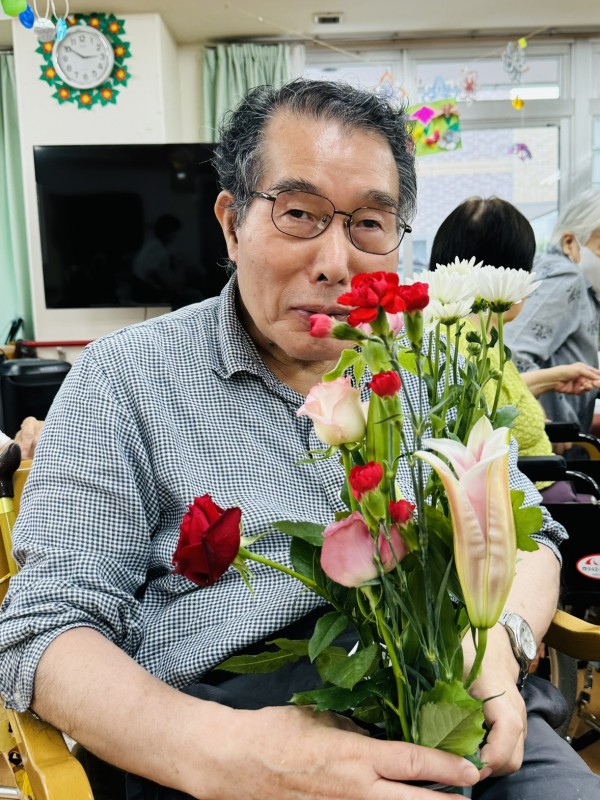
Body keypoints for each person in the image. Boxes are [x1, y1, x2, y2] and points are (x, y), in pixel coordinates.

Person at [0, 80, 595, 800]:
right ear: (231, 223)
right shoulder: (126, 376)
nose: (336, 262)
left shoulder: (425, 368)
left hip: (457, 694)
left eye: (368, 223)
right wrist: (221, 752)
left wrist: (500, 641)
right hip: (222, 728)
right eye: (299, 213)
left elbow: (529, 530)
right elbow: (46, 628)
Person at [429, 195, 600, 502]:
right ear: (512, 274)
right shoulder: (466, 343)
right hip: (534, 494)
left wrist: (549, 379)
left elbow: (492, 397)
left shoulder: (478, 337)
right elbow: (487, 416)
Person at [503, 188, 600, 433]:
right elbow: (510, 352)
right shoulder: (566, 276)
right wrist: (542, 418)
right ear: (569, 243)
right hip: (554, 439)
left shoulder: (579, 283)